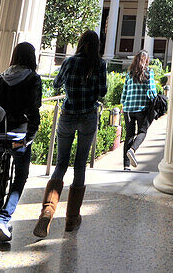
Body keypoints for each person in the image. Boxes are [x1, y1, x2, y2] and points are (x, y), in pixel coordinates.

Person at [33, 30, 107, 238]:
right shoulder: (99, 64)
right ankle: (72, 218)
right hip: (88, 116)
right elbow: (102, 91)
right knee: (80, 164)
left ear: (80, 43)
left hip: (67, 115)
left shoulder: (70, 61)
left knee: (61, 164)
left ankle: (48, 210)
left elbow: (56, 83)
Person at [0, 41, 43, 245]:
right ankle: (3, 219)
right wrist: (30, 135)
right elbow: (34, 110)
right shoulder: (33, 79)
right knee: (20, 177)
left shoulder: (0, 78)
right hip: (19, 138)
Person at [120, 51, 158, 170]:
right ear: (146, 60)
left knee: (129, 136)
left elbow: (125, 91)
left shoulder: (129, 73)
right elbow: (152, 91)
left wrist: (123, 105)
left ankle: (126, 166)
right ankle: (132, 150)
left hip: (128, 109)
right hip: (142, 108)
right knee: (142, 131)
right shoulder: (148, 72)